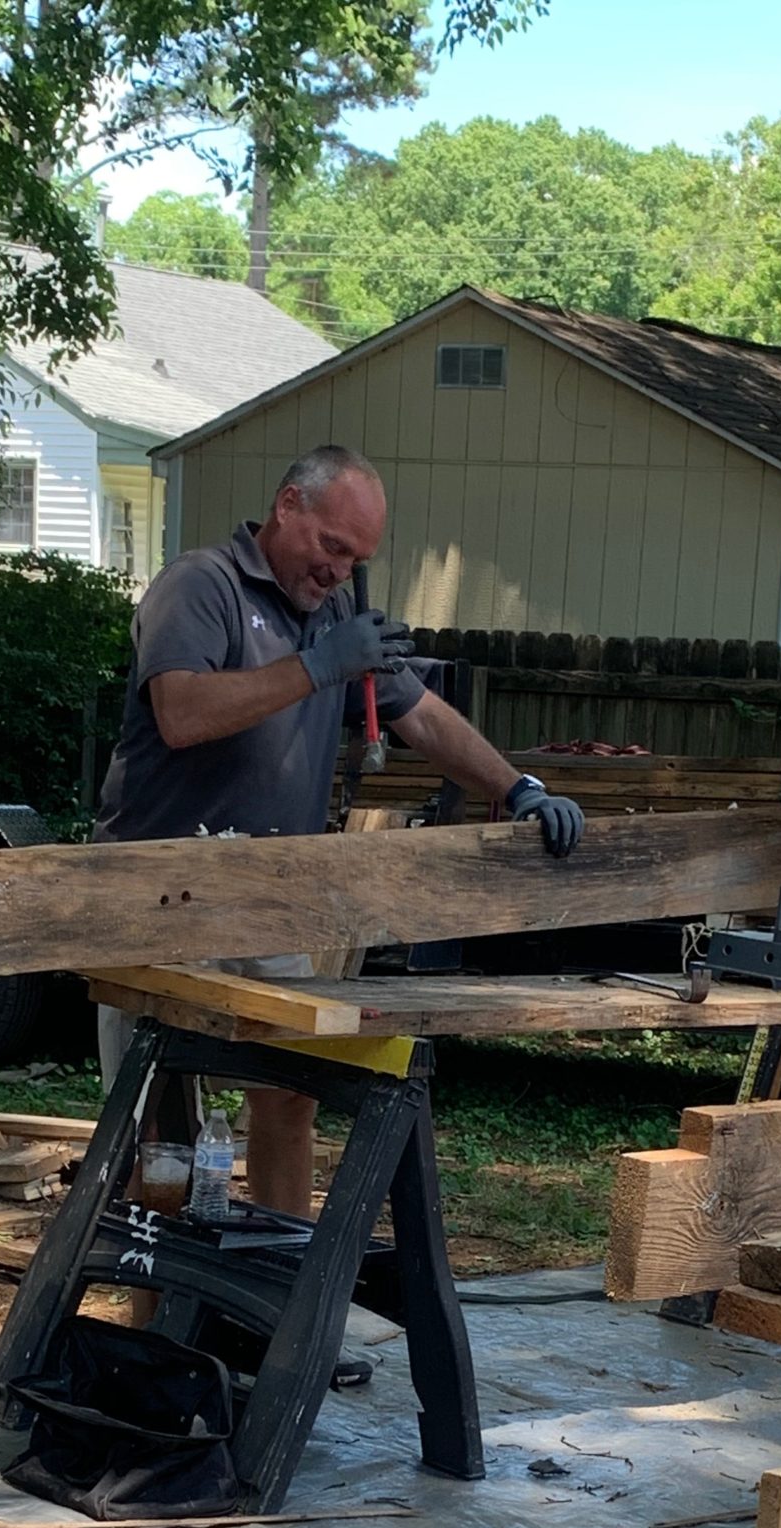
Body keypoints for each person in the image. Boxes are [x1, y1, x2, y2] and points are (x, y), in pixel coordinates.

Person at [93, 444, 584, 1216]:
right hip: (159, 895)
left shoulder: (334, 618)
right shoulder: (202, 584)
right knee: (162, 1124)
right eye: (332, 548)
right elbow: (182, 714)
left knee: (290, 1096)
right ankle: (155, 1321)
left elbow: (419, 712)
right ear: (288, 505)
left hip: (272, 894)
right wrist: (315, 668)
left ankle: (283, 1298)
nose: (339, 572)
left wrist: (518, 787)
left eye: (357, 559)